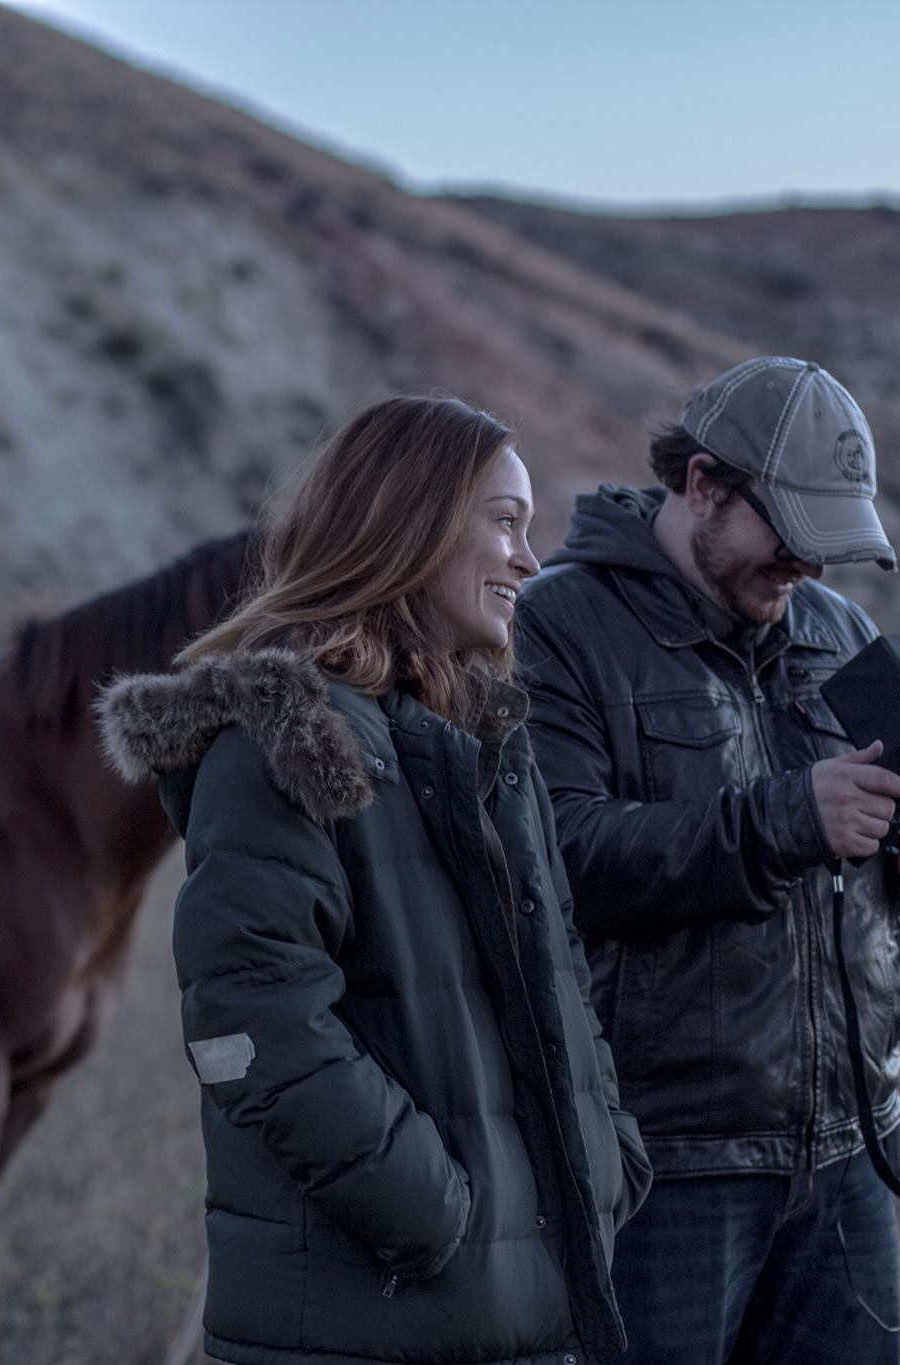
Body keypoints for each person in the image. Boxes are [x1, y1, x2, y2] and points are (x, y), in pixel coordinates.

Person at [97, 395, 651, 1365]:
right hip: (366, 1326)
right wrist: (436, 1216)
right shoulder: (289, 739)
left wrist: (607, 1162)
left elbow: (556, 980)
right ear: (409, 524)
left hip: (520, 1312)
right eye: (506, 523)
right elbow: (250, 1026)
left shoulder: (483, 745)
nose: (530, 560)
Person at [514, 357, 900, 1364]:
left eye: (829, 545)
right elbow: (555, 860)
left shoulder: (839, 633)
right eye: (791, 537)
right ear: (702, 483)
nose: (808, 570)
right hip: (665, 1163)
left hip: (849, 1148)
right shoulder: (555, 626)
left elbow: (884, 876)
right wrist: (781, 819)